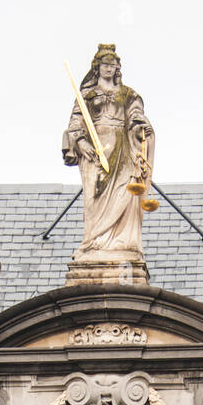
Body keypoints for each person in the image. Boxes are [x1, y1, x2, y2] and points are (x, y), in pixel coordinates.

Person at [62, 43, 154, 268]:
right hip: (95, 151)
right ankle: (95, 241)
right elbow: (76, 123)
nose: (109, 69)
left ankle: (121, 241)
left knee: (124, 192)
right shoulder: (86, 95)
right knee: (95, 195)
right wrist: (81, 142)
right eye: (105, 64)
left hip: (122, 147)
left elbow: (135, 116)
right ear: (97, 67)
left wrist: (139, 128)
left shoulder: (129, 95)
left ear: (117, 68)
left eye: (113, 65)